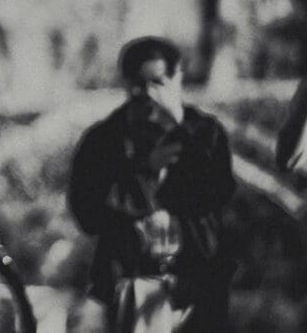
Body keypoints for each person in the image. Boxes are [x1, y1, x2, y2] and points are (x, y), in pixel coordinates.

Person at [68, 36, 236, 332]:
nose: (146, 95)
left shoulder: (205, 135)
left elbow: (217, 193)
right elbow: (87, 214)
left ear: (177, 79)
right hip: (130, 283)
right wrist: (144, 171)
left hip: (197, 285)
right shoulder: (103, 141)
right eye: (137, 85)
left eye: (157, 83)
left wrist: (179, 126)